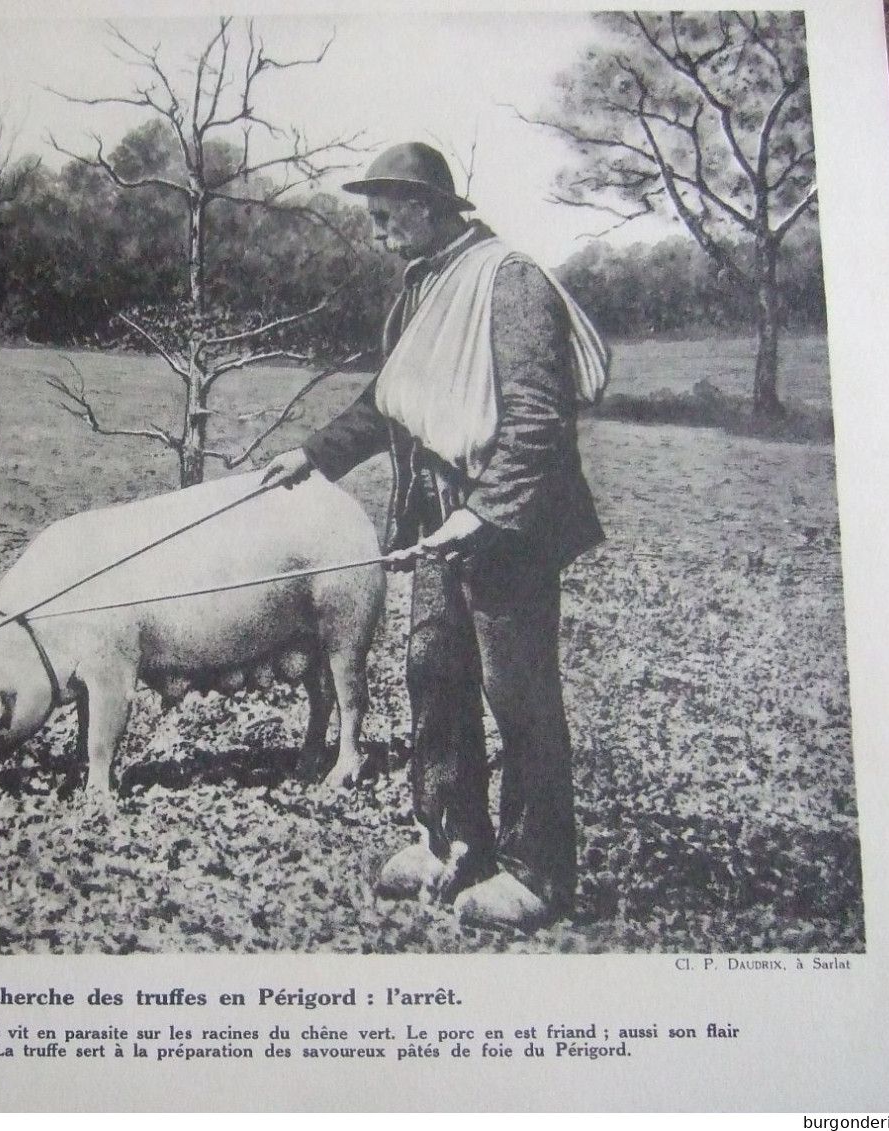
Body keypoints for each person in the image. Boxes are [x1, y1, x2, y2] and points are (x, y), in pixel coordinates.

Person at [261, 142, 607, 930]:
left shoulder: (508, 280)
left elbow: (537, 423)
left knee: (517, 694)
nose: (377, 230)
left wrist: (481, 515)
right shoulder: (420, 288)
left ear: (426, 205)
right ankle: (449, 838)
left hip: (506, 526)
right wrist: (312, 456)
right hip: (433, 522)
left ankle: (535, 870)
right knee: (433, 673)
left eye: (385, 215)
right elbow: (391, 402)